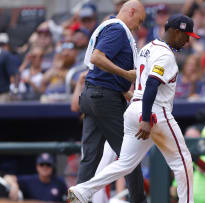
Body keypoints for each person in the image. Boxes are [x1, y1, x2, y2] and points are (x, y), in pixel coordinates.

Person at [68, 13, 200, 203]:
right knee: (183, 161)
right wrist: (146, 119)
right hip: (154, 112)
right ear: (175, 32)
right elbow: (153, 85)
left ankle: (83, 190)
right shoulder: (164, 54)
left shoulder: (147, 48)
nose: (187, 40)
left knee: (125, 163)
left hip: (133, 110)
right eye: (186, 35)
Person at [75, 0, 147, 203]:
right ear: (131, 11)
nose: (138, 27)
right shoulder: (117, 29)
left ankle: (79, 199)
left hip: (93, 95)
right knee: (130, 155)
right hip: (104, 98)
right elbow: (97, 58)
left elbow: (98, 69)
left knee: (90, 157)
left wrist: (126, 91)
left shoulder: (110, 26)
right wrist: (126, 74)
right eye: (139, 21)